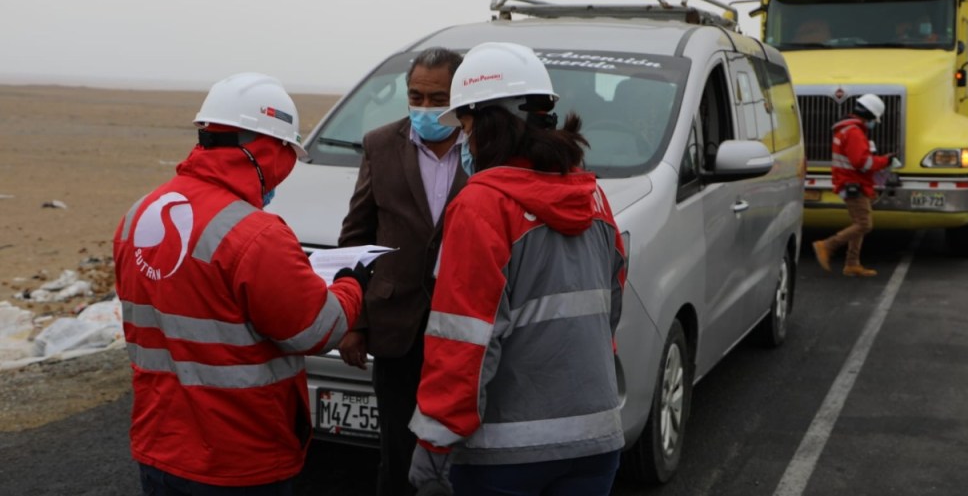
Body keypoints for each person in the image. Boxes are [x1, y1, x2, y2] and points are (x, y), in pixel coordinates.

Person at [113, 72, 370, 495]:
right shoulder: (256, 234)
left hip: (159, 445)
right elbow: (316, 329)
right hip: (240, 459)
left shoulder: (139, 214)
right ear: (267, 151)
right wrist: (350, 285)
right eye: (287, 153)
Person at [407, 42, 627, 495]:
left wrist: (435, 439)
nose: (464, 141)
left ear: (489, 124)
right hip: (595, 440)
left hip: (505, 453)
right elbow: (611, 308)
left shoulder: (481, 204)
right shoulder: (594, 198)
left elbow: (465, 338)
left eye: (466, 127)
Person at [337, 47, 467, 496]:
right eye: (416, 97)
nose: (425, 109)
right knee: (397, 454)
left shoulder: (485, 150)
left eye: (438, 99)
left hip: (463, 328)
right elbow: (356, 237)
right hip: (397, 328)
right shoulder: (380, 144)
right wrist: (355, 321)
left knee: (462, 453)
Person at [813, 93, 894, 277]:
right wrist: (885, 161)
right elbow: (862, 163)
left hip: (850, 182)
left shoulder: (846, 130)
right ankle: (826, 246)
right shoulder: (854, 132)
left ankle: (852, 263)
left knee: (858, 223)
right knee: (865, 224)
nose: (873, 123)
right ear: (869, 115)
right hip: (853, 184)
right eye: (874, 119)